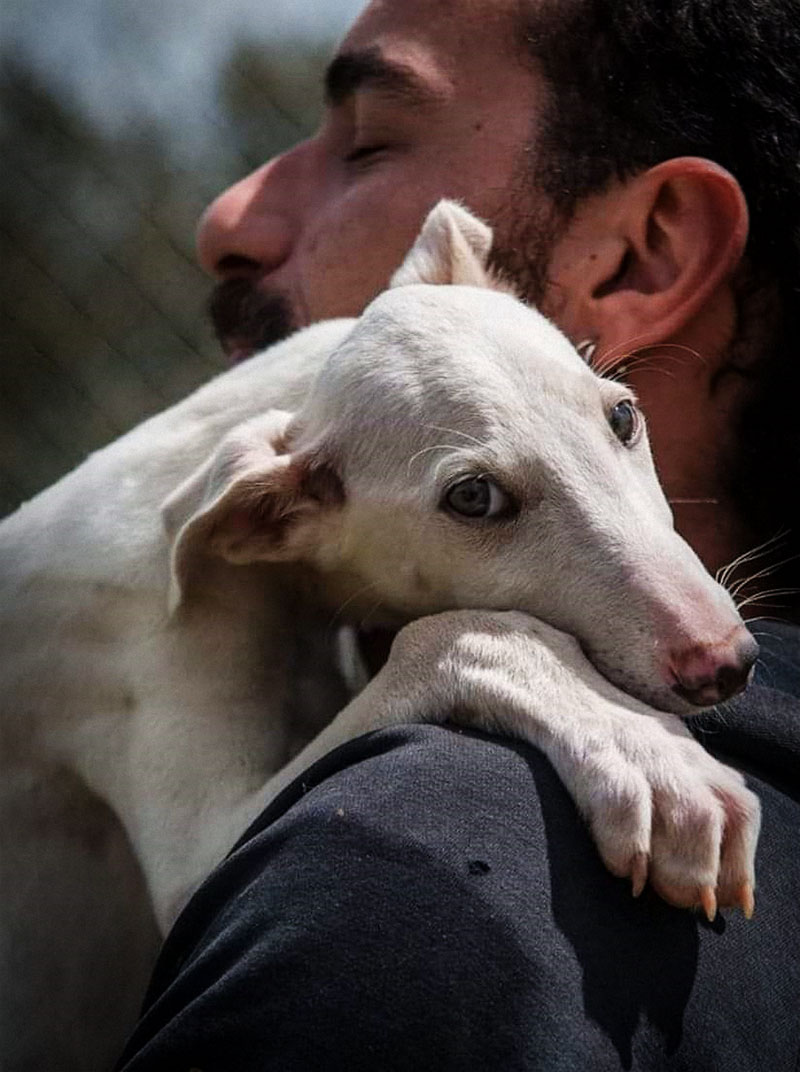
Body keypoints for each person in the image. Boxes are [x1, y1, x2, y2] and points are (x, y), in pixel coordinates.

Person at [116, 0, 800, 1068]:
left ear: (640, 256)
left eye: (371, 142)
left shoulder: (405, 875)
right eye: (476, 498)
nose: (226, 217)